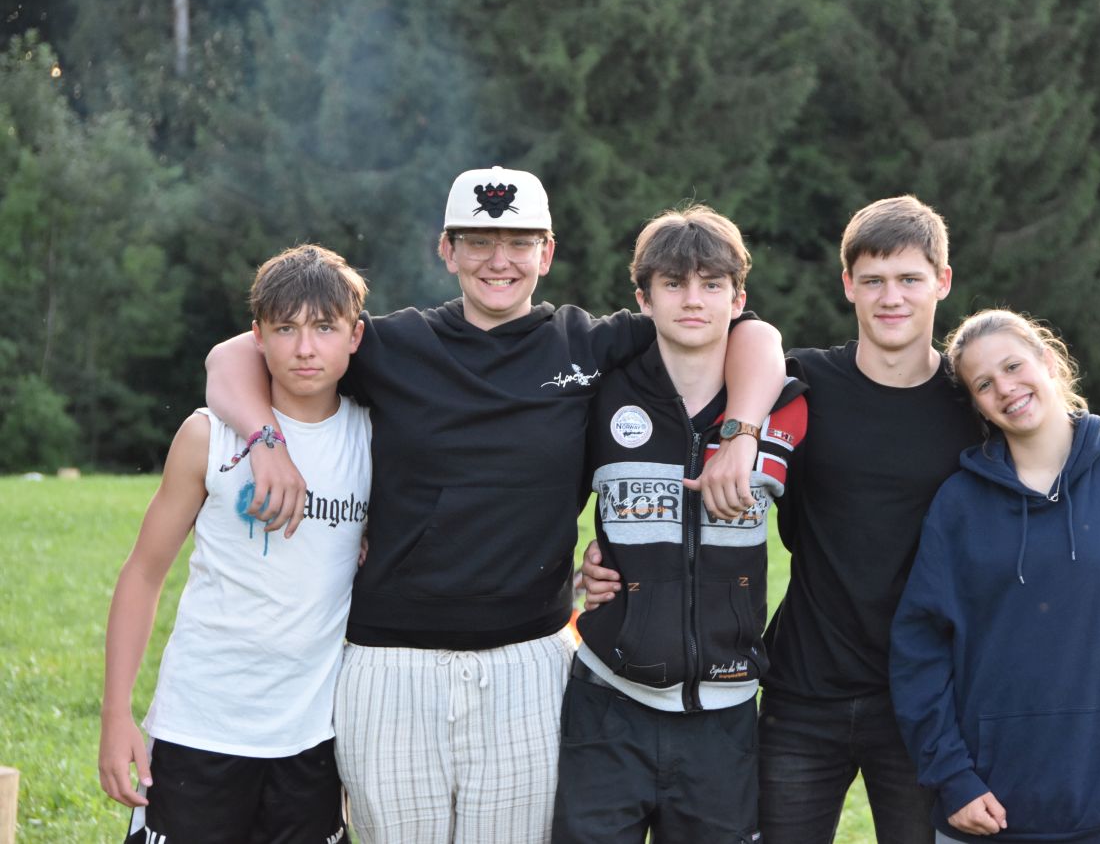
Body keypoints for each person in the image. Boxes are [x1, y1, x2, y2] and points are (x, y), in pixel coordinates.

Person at [204, 167, 785, 843]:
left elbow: (754, 334)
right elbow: (231, 356)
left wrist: (740, 434)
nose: (498, 260)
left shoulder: (587, 343)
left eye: (519, 242)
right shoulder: (393, 344)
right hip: (392, 661)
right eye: (478, 242)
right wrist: (267, 442)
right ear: (447, 250)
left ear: (547, 252)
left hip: (527, 662)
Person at [583, 195, 983, 842]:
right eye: (873, 280)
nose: (891, 297)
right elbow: (754, 335)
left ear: (943, 281)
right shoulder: (806, 384)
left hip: (926, 695)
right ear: (847, 284)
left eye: (910, 279)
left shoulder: (972, 407)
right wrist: (741, 434)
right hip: (804, 691)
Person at [890, 309, 1100, 844]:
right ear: (977, 404)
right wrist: (952, 778)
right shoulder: (958, 503)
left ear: (1049, 361)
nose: (1005, 388)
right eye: (984, 384)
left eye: (1013, 366)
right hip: (983, 810)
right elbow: (919, 652)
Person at [551, 205, 808, 843]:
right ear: (643, 298)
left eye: (711, 284)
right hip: (608, 702)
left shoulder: (785, 407)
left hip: (725, 718)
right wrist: (577, 569)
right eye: (673, 283)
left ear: (738, 299)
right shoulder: (601, 395)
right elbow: (538, 503)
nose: (693, 300)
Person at [99, 245, 371, 844]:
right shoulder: (208, 436)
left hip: (312, 739)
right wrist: (116, 715)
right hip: (200, 727)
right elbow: (143, 574)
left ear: (355, 336)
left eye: (324, 328)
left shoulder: (373, 437)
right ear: (258, 337)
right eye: (286, 329)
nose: (305, 348)